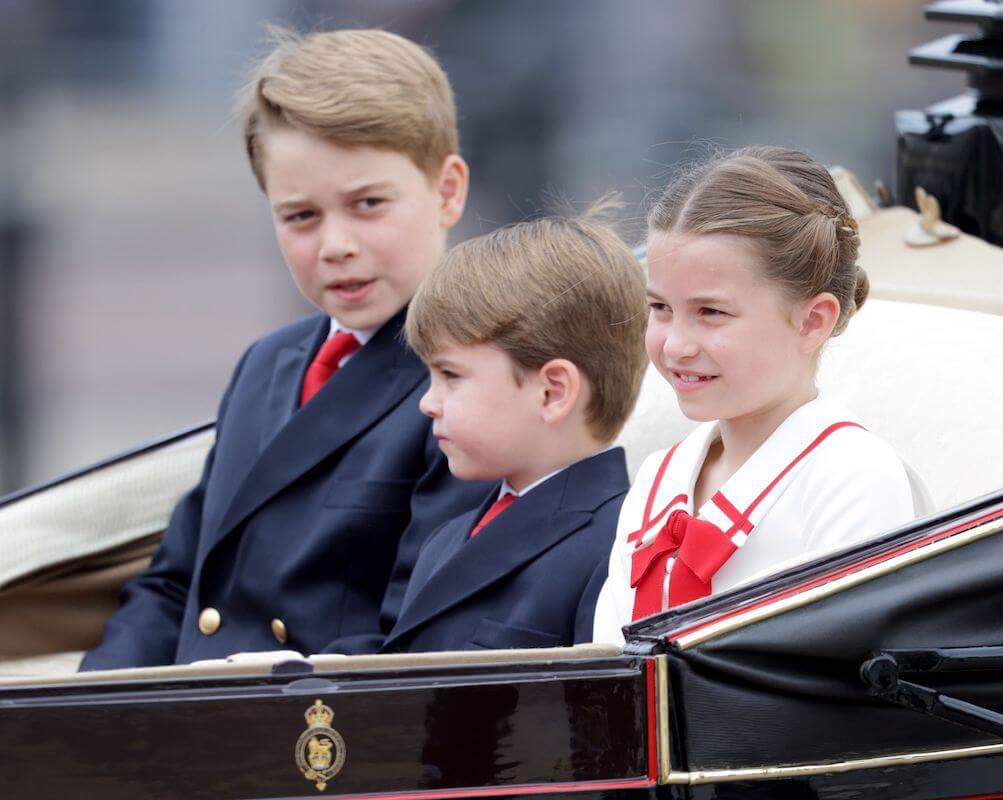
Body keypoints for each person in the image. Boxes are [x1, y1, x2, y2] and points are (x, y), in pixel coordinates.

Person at [80, 28, 491, 670]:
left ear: (447, 191)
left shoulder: (474, 379)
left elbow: (418, 635)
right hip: (184, 725)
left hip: (310, 734)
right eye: (301, 216)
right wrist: (91, 711)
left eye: (367, 204)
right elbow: (177, 582)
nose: (335, 244)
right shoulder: (268, 364)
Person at [592, 146, 929, 644]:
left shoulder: (853, 477)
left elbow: (846, 696)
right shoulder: (657, 480)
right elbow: (604, 672)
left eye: (711, 312)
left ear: (813, 321)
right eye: (660, 307)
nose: (677, 344)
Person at [377, 210, 647, 653]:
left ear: (552, 392)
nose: (427, 402)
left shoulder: (620, 549)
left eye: (451, 375)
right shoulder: (446, 539)